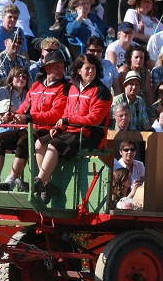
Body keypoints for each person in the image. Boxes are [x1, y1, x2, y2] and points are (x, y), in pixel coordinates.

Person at [32, 53, 111, 202]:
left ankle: (39, 181)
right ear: (79, 70)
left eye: (93, 68)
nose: (91, 71)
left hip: (90, 134)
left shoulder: (102, 91)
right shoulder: (74, 88)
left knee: (54, 145)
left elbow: (94, 119)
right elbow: (67, 112)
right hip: (71, 131)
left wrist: (68, 121)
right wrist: (59, 128)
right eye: (87, 68)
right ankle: (48, 185)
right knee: (40, 143)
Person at [0, 51, 68, 191]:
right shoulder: (36, 86)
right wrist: (13, 116)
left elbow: (56, 115)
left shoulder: (64, 88)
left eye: (62, 67)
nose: (61, 70)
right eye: (57, 67)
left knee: (24, 141)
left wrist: (29, 118)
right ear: (47, 68)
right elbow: (25, 106)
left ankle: (10, 182)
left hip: (48, 130)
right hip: (31, 127)